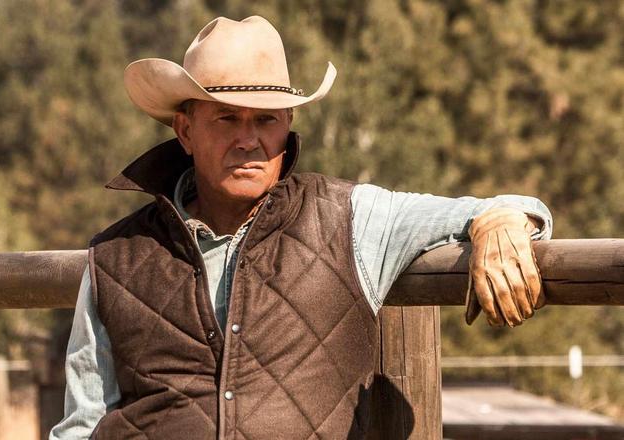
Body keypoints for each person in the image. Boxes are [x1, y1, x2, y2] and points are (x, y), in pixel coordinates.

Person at [50, 15, 552, 439]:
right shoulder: (116, 255)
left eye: (266, 120)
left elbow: (502, 207)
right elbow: (82, 425)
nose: (249, 139)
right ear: (185, 130)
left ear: (288, 123)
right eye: (226, 118)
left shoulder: (350, 218)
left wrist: (500, 223)